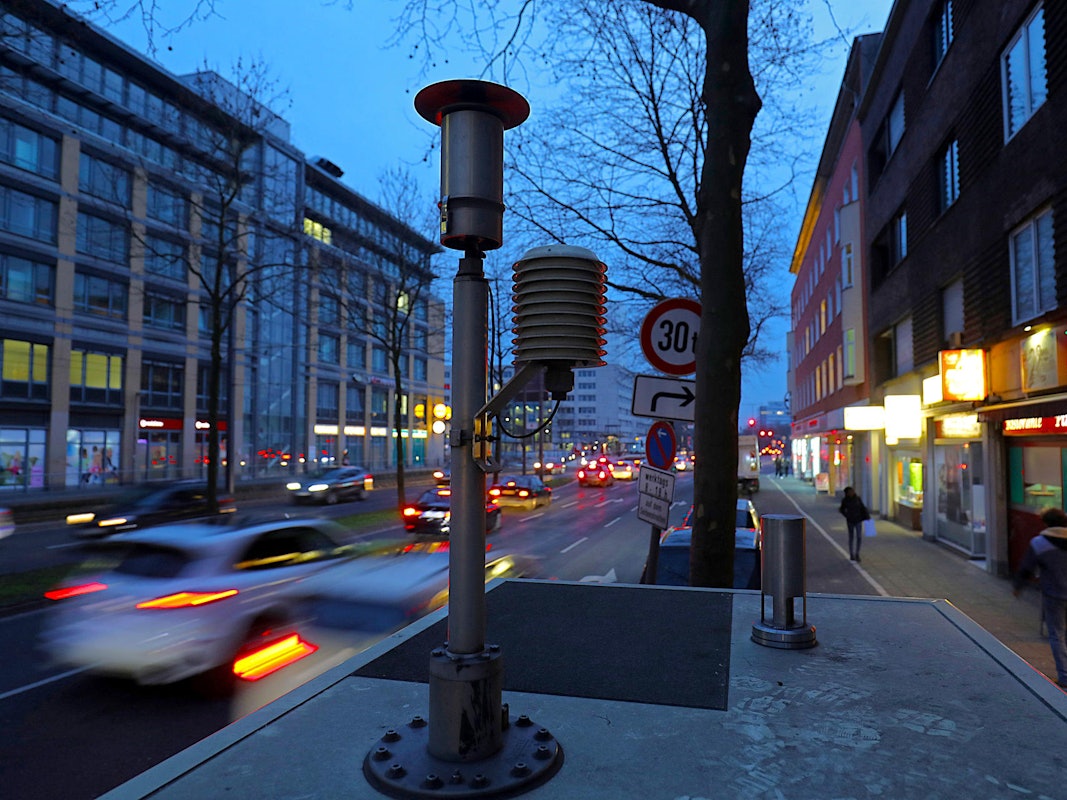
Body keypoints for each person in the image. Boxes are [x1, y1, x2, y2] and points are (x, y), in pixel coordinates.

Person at [1013, 507, 1067, 689]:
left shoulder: (1039, 543)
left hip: (1054, 594)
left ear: (1045, 523)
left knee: (1057, 634)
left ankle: (1064, 676)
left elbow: (1027, 567)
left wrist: (1018, 587)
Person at [839, 486, 869, 562]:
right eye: (850, 492)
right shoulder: (845, 500)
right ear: (847, 493)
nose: (852, 492)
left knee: (859, 537)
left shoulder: (857, 499)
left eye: (852, 491)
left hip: (858, 520)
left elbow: (862, 507)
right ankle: (851, 554)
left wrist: (867, 516)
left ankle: (857, 553)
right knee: (851, 537)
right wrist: (847, 515)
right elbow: (841, 509)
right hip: (850, 521)